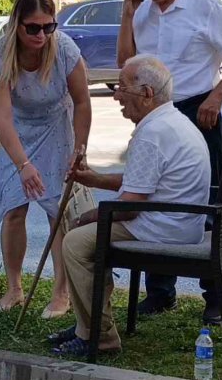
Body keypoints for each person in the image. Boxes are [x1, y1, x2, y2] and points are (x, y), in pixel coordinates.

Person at [116, 0, 222, 324]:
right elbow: (126, 64)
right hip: (155, 111)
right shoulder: (142, 8)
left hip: (199, 109)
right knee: (151, 196)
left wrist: (217, 97)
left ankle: (216, 295)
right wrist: (128, 15)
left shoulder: (205, 5)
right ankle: (161, 291)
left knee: (210, 203)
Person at [46, 55, 211, 356]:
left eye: (122, 88)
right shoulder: (169, 122)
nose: (116, 95)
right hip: (177, 222)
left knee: (75, 243)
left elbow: (130, 207)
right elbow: (143, 181)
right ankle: (89, 324)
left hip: (165, 228)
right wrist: (95, 180)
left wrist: (91, 215)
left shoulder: (153, 134)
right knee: (89, 237)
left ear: (147, 94)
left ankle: (100, 336)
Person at [0, 0, 91, 318]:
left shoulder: (63, 49)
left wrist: (80, 150)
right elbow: (1, 117)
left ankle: (61, 293)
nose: (42, 35)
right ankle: (15, 289)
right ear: (17, 25)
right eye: (33, 28)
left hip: (55, 129)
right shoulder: (1, 53)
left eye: (49, 26)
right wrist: (22, 164)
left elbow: (82, 102)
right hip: (16, 132)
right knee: (13, 211)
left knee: (56, 214)